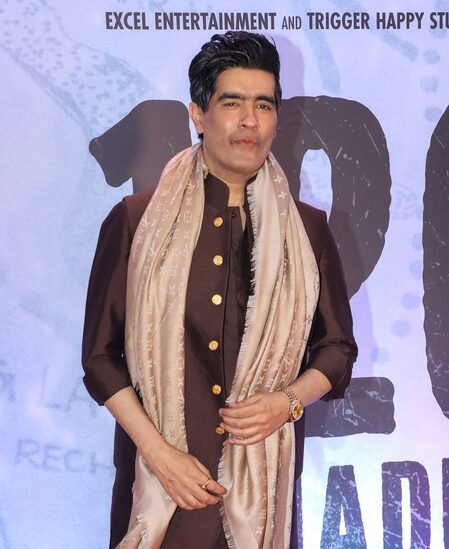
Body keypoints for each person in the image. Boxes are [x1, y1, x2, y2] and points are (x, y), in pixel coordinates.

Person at [82, 31, 357, 549]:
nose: (250, 120)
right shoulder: (136, 220)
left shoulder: (307, 230)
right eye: (232, 103)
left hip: (261, 496)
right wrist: (160, 455)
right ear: (198, 114)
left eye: (264, 105)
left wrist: (288, 402)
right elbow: (99, 358)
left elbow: (338, 348)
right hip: (161, 491)